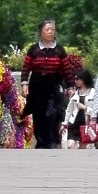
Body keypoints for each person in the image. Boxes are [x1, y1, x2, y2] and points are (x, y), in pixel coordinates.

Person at [20, 21, 69, 149]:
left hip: (53, 86)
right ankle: (41, 142)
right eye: (47, 29)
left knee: (53, 112)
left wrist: (70, 86)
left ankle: (52, 141)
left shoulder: (59, 50)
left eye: (52, 29)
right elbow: (26, 68)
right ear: (41, 32)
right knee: (38, 114)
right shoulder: (34, 49)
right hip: (37, 86)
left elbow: (66, 69)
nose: (50, 32)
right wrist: (24, 84)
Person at [61, 78, 91, 149]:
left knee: (82, 148)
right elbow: (69, 110)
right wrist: (64, 124)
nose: (76, 81)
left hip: (85, 124)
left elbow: (95, 110)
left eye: (77, 79)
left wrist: (84, 107)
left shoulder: (92, 93)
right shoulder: (74, 95)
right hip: (73, 124)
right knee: (70, 146)